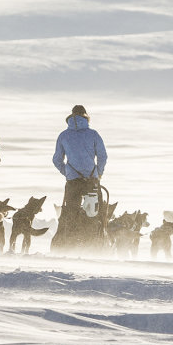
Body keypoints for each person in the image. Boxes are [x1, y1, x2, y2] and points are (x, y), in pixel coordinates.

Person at [52, 104, 106, 246]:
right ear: (86, 117)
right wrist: (98, 174)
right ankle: (95, 241)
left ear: (71, 117)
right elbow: (103, 156)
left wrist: (68, 173)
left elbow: (57, 160)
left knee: (71, 212)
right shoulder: (93, 134)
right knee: (96, 211)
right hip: (91, 181)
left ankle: (69, 243)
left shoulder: (63, 135)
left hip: (73, 182)